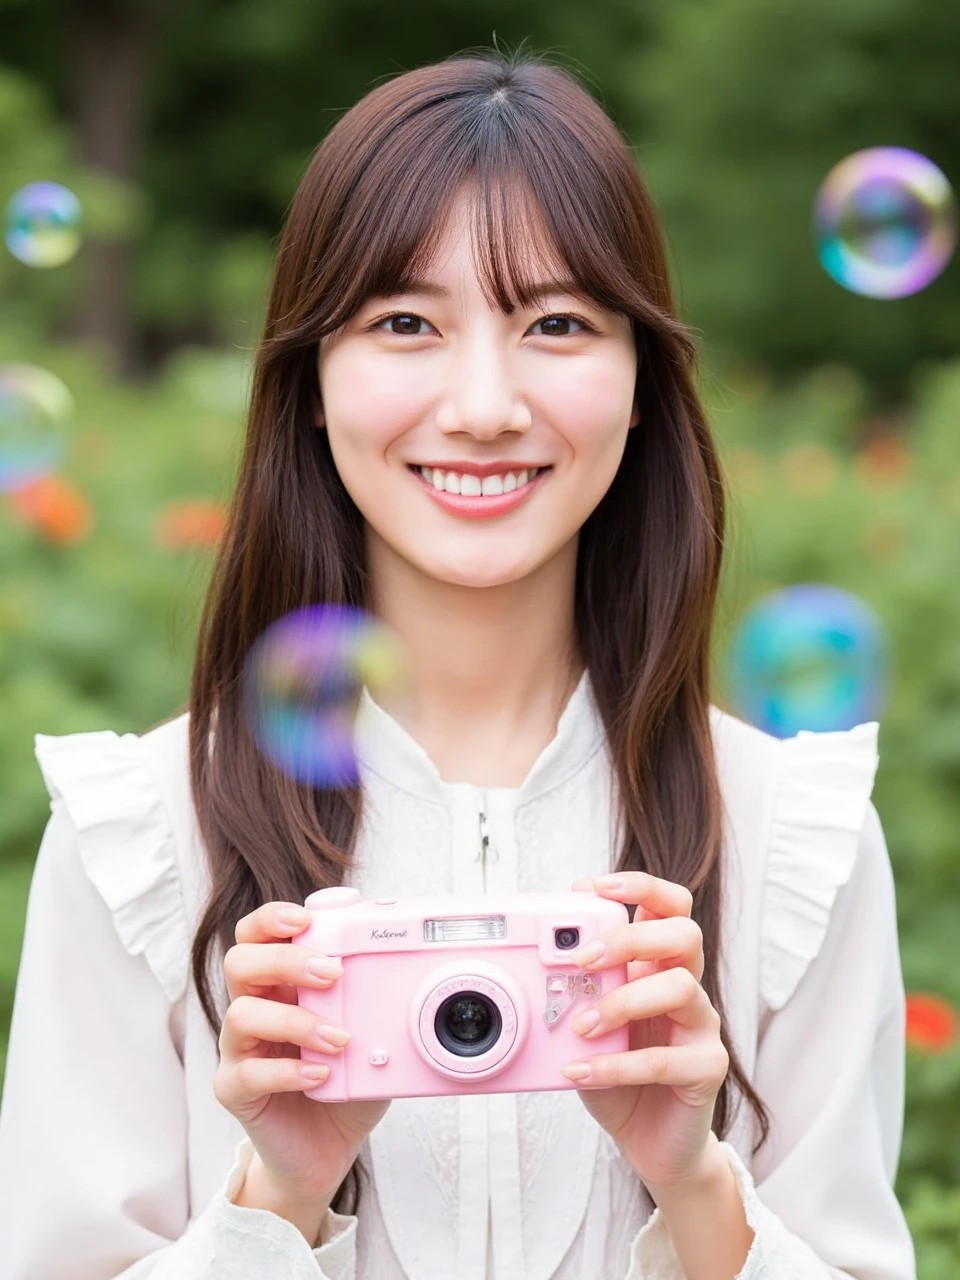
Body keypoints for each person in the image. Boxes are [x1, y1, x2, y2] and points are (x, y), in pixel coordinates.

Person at [0, 46, 916, 1280]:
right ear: (311, 383)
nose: (484, 403)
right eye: (404, 323)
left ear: (642, 380)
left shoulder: (795, 839)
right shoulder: (143, 840)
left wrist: (696, 1184)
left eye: (555, 322)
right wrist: (276, 1196)